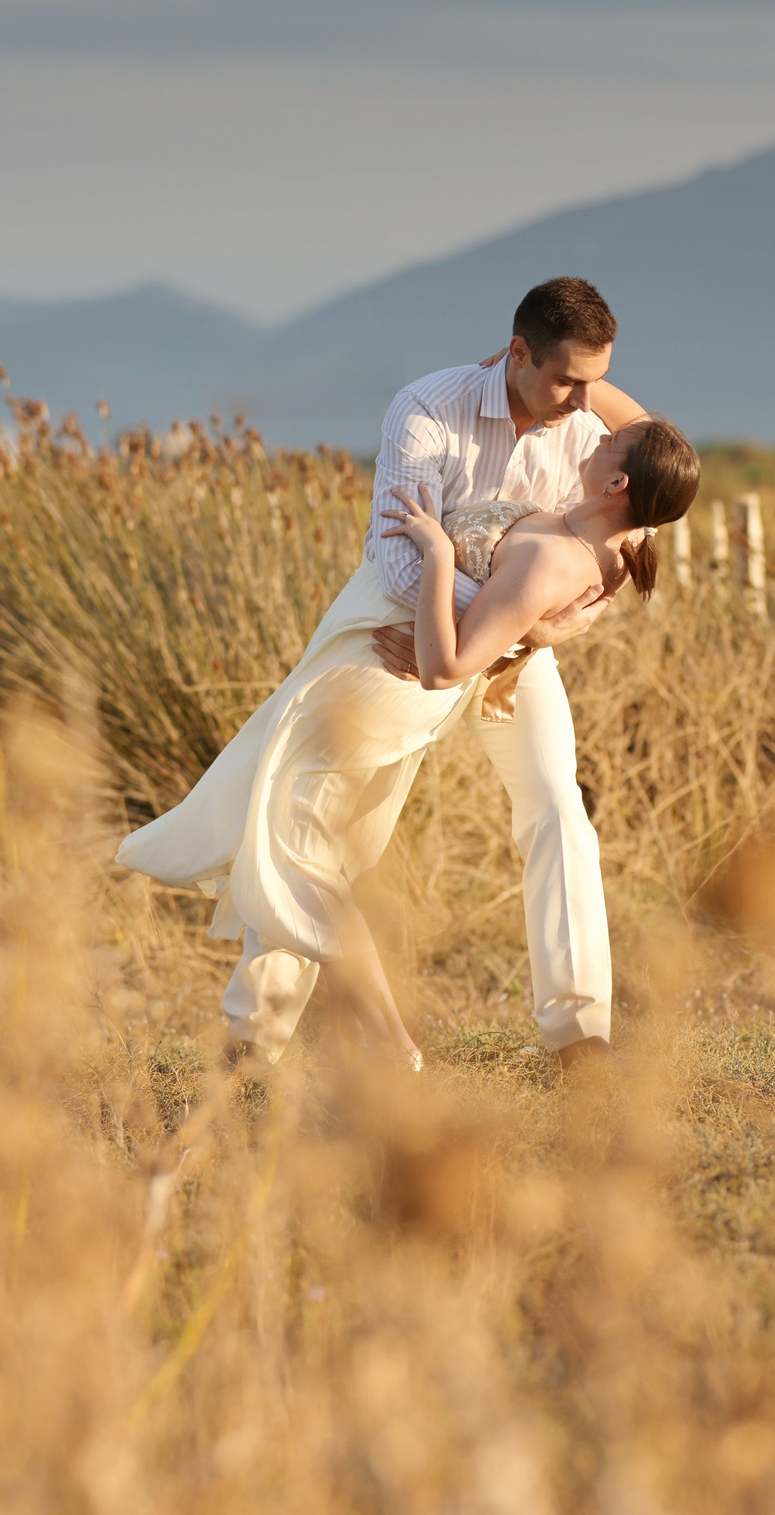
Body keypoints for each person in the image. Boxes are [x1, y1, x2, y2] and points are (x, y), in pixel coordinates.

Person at [114, 277, 689, 1069]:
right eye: (568, 378)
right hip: (394, 627)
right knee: (316, 812)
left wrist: (536, 625)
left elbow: (659, 470)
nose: (587, 401)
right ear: (515, 353)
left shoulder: (585, 421)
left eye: (598, 380)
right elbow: (393, 554)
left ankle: (580, 1035)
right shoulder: (429, 408)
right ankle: (255, 1034)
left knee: (557, 806)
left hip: (511, 651)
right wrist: (477, 621)